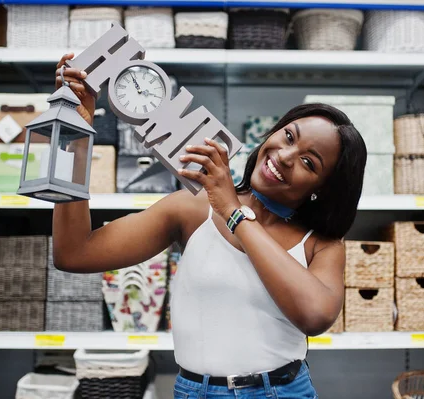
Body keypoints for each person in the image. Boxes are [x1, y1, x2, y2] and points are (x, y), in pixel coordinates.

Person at [52, 53, 368, 399]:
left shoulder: (321, 244)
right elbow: (74, 253)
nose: (284, 156)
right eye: (289, 136)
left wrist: (233, 211)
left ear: (321, 188)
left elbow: (315, 316)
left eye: (309, 162)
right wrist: (76, 135)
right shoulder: (192, 209)